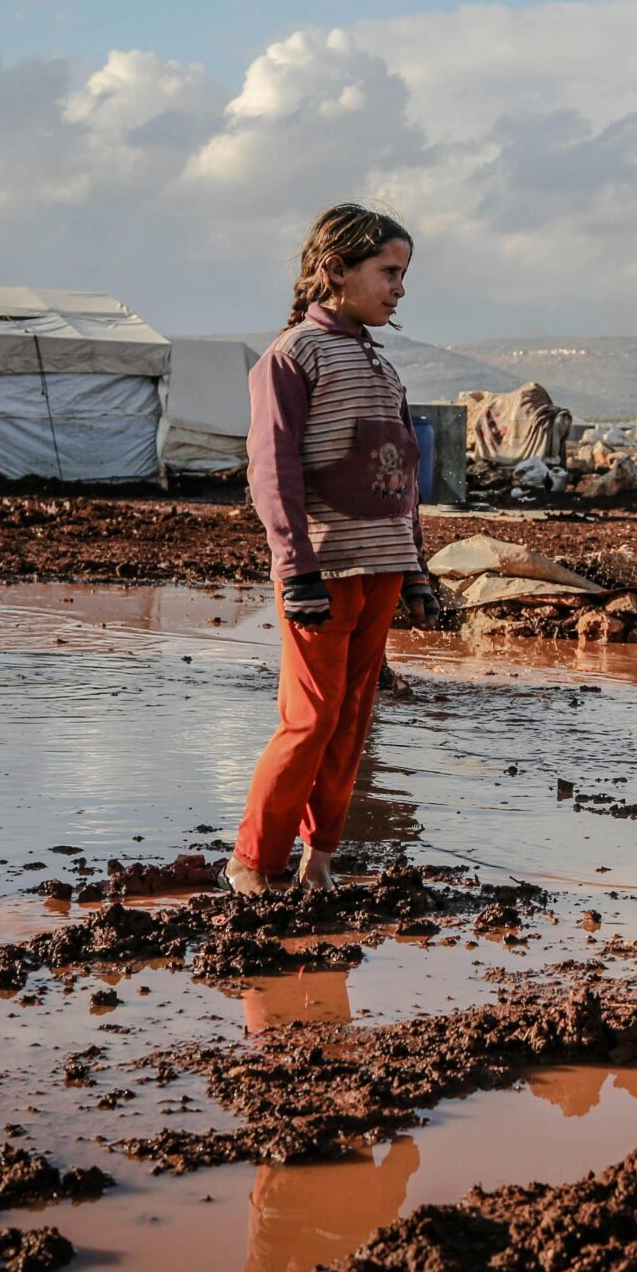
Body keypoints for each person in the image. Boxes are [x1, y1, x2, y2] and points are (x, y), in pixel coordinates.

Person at [232, 203, 442, 895]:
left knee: (352, 720)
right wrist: (295, 569)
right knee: (311, 716)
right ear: (335, 270)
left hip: (381, 567)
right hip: (321, 571)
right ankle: (253, 862)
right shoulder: (292, 356)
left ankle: (319, 858)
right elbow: (273, 469)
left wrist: (415, 572)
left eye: (403, 273)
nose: (399, 287)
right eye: (388, 271)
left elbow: (402, 479)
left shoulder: (381, 367)